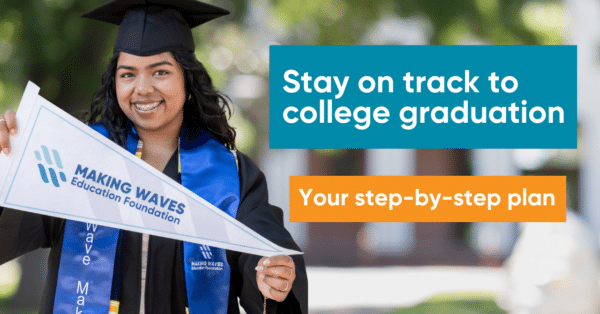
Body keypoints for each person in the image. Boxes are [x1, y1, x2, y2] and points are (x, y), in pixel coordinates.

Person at [0, 0, 307, 313]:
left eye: (160, 71)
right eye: (128, 74)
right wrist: (4, 165)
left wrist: (273, 278)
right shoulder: (76, 159)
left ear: (188, 82)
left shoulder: (230, 174)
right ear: (113, 83)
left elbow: (266, 253)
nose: (142, 88)